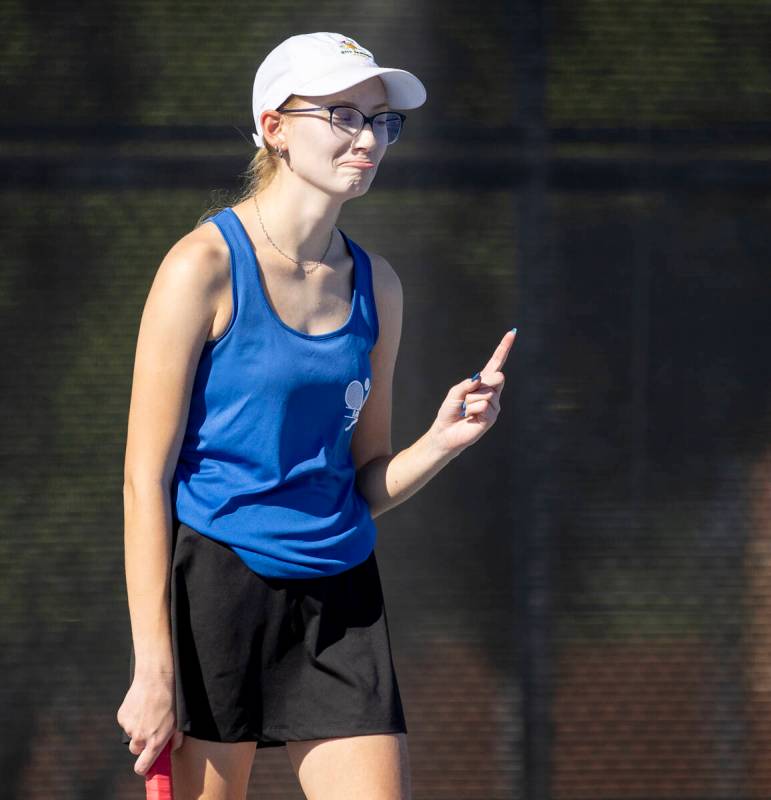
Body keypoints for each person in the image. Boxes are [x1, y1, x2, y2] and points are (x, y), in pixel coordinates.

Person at [116, 30, 517, 800]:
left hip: (341, 596)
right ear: (274, 126)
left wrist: (442, 442)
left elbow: (364, 481)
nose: (368, 138)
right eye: (342, 115)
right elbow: (143, 479)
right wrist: (155, 665)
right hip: (216, 591)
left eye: (380, 121)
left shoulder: (379, 286)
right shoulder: (199, 268)